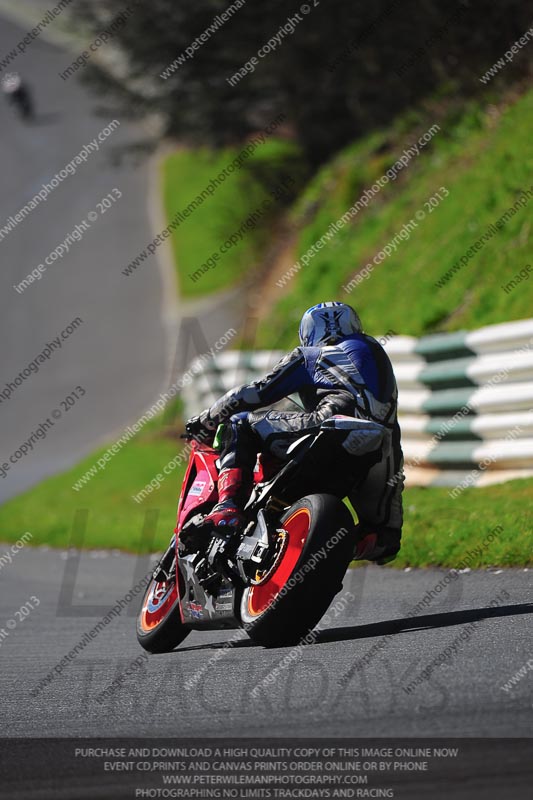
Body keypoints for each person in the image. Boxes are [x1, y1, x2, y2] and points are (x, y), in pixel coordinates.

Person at [187, 302, 404, 563]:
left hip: (331, 425)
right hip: (383, 447)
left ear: (308, 333)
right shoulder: (378, 358)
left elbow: (252, 394)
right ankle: (333, 552)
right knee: (383, 539)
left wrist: (206, 420)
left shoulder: (312, 354)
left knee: (241, 422)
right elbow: (385, 426)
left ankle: (228, 507)